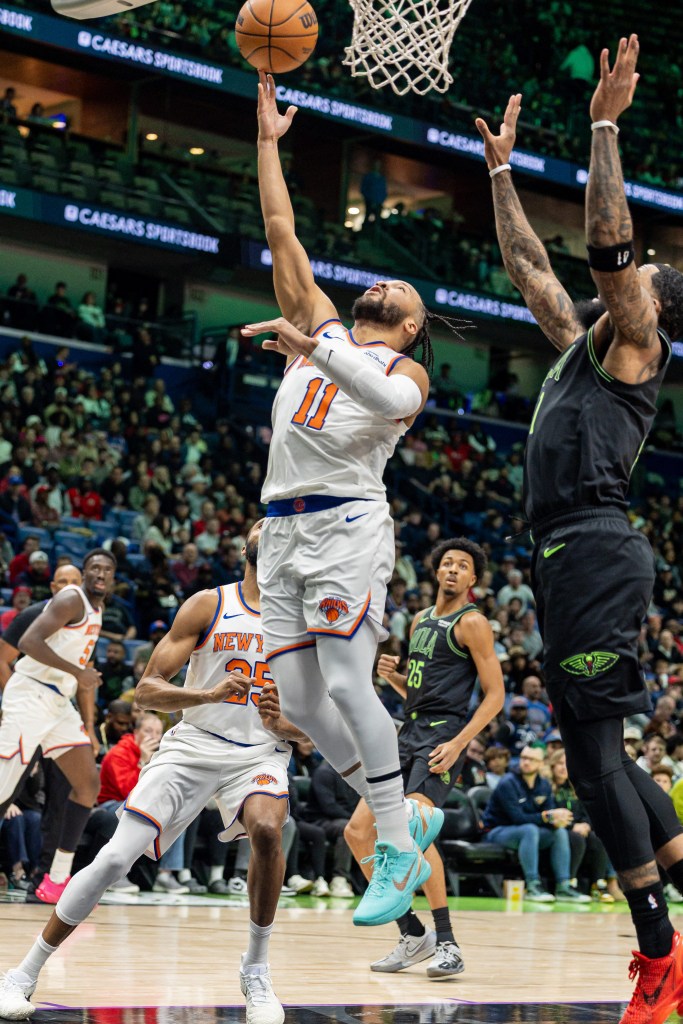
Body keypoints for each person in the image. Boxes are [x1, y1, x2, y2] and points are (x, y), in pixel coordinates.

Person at [475, 36, 683, 1023]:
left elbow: (606, 252)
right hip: (570, 553)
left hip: (594, 545)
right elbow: (529, 270)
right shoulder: (580, 352)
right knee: (598, 752)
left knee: (592, 763)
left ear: (651, 308)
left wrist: (603, 124)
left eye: (644, 278)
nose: (627, 280)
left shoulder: (635, 342)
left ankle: (657, 952)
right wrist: (501, 172)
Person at [242, 70, 468, 928]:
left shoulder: (395, 365)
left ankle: (398, 843)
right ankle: (405, 814)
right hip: (282, 531)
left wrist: (314, 348)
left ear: (410, 326)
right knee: (297, 702)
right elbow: (279, 226)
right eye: (382, 284)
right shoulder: (322, 325)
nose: (384, 286)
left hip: (345, 524)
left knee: (344, 678)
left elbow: (396, 408)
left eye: (402, 294)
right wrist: (266, 140)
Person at [0, 520, 302, 1024]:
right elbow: (146, 691)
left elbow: (314, 730)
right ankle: (24, 972)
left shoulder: (300, 627)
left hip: (258, 753)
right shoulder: (210, 604)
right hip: (193, 746)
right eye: (261, 522)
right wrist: (204, 695)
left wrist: (283, 722)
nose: (270, 527)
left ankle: (256, 970)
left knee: (269, 830)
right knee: (114, 859)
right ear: (246, 545)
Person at [345, 537, 505, 976]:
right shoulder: (419, 621)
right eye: (447, 563)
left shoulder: (473, 623)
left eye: (463, 566)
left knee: (415, 832)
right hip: (407, 731)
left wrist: (460, 743)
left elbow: (495, 696)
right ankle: (412, 933)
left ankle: (448, 942)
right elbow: (417, 695)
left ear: (473, 578)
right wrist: (394, 678)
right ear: (437, 572)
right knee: (358, 832)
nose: (453, 570)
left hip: (443, 737)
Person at [0, 550, 115, 903]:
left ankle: (57, 880)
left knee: (87, 784)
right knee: (2, 794)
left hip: (57, 703)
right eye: (94, 567)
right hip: (30, 697)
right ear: (84, 573)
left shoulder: (99, 609)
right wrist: (78, 672)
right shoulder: (71, 599)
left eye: (107, 569)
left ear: (113, 579)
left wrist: (89, 719)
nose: (100, 573)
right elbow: (28, 643)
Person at [482, 745, 590, 904]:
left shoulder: (544, 785)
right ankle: (533, 885)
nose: (526, 762)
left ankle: (563, 886)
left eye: (531, 759)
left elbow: (548, 814)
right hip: (496, 832)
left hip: (525, 831)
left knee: (558, 832)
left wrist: (557, 819)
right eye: (524, 758)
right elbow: (517, 818)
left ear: (541, 763)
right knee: (530, 829)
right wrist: (547, 817)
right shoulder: (508, 783)